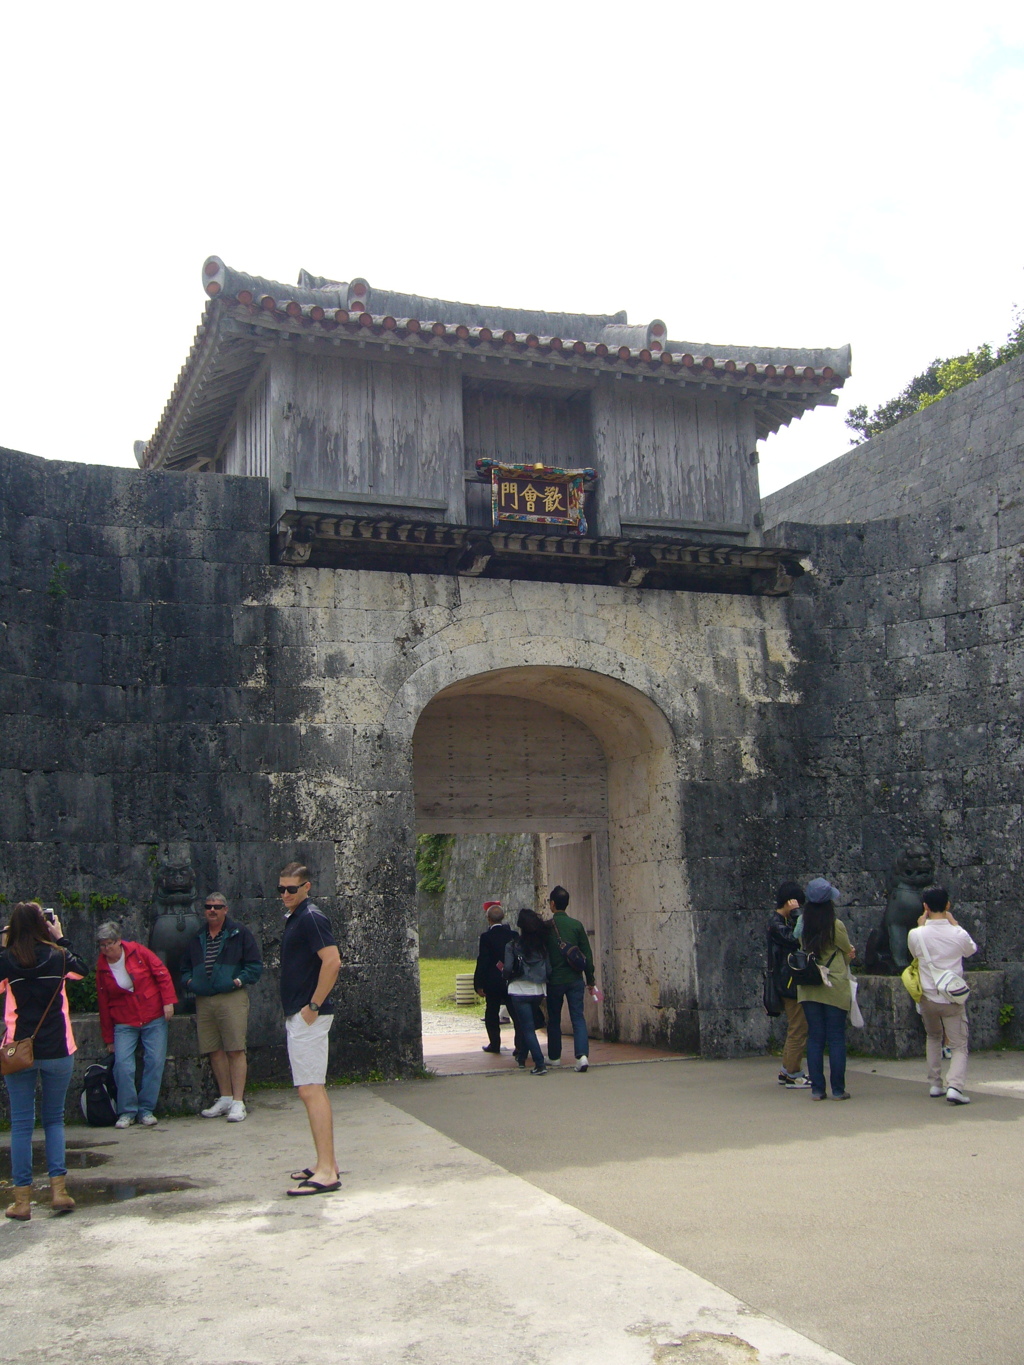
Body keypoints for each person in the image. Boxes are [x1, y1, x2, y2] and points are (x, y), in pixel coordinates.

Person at [0, 903, 88, 1220]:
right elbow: (81, 971)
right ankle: (59, 1192)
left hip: (19, 1050)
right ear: (43, 925)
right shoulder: (57, 956)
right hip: (57, 1049)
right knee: (53, 1121)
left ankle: (22, 1201)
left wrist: (4, 946)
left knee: (22, 1125)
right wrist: (61, 937)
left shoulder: (7, 961)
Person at [278, 863, 343, 1196]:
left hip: (309, 1016)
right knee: (310, 1088)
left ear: (307, 887)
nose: (286, 895)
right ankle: (323, 1162)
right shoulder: (297, 917)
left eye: (292, 889)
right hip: (301, 1014)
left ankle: (327, 1170)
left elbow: (332, 961)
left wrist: (313, 1006)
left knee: (311, 1089)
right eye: (282, 889)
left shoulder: (311, 917)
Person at [180, 892, 263, 1122]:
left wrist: (237, 980)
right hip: (204, 998)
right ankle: (225, 1097)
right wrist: (190, 982)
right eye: (208, 907)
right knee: (213, 1049)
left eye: (217, 907)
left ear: (226, 909)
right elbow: (184, 966)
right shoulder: (198, 936)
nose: (212, 910)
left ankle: (238, 1101)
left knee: (235, 1048)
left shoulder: (239, 934)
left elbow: (255, 965)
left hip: (231, 996)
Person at [95, 920, 178, 1128]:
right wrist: (108, 1038)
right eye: (102, 945)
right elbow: (103, 1004)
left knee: (155, 1061)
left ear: (118, 941)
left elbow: (162, 974)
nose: (106, 949)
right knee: (123, 1065)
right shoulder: (102, 967)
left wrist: (168, 1001)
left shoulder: (138, 952)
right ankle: (127, 1111)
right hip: (124, 1020)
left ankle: (146, 1109)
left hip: (152, 1014)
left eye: (109, 944)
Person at [907, 886, 977, 1105]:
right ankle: (955, 1085)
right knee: (958, 1045)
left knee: (933, 1037)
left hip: (927, 997)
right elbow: (971, 950)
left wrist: (921, 926)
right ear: (948, 905)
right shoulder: (958, 933)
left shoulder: (916, 934)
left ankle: (935, 1083)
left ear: (925, 907)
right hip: (952, 997)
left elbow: (914, 954)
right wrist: (955, 924)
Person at [797, 879, 856, 1101]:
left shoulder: (802, 923)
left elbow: (799, 945)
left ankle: (817, 1089)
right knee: (836, 1038)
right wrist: (850, 956)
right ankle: (838, 1090)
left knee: (815, 1038)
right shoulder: (835, 925)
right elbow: (846, 949)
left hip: (810, 985)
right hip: (833, 985)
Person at [545, 886, 597, 1073]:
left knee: (554, 1019)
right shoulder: (576, 925)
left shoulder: (548, 927)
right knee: (578, 1017)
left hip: (555, 981)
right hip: (575, 979)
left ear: (552, 904)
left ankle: (554, 1056)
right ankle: (581, 1056)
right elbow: (587, 955)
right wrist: (590, 979)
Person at [767, 880, 811, 1088]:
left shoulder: (778, 922)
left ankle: (787, 1069)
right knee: (798, 1028)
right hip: (788, 983)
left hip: (787, 981)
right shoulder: (776, 923)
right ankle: (793, 1073)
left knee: (796, 1027)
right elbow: (795, 939)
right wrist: (797, 916)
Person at [505, 908, 552, 1075]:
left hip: (519, 989)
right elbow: (549, 969)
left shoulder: (513, 945)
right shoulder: (542, 946)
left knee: (527, 1027)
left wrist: (505, 974)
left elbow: (508, 968)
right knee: (528, 1024)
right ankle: (522, 1057)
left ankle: (539, 1063)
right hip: (538, 989)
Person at [473, 901, 514, 1054]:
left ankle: (495, 1043)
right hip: (511, 979)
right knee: (515, 1012)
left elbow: (483, 960)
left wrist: (478, 983)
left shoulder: (486, 937)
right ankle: (520, 1045)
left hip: (493, 981)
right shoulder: (512, 935)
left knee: (491, 1012)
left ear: (488, 919)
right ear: (503, 918)